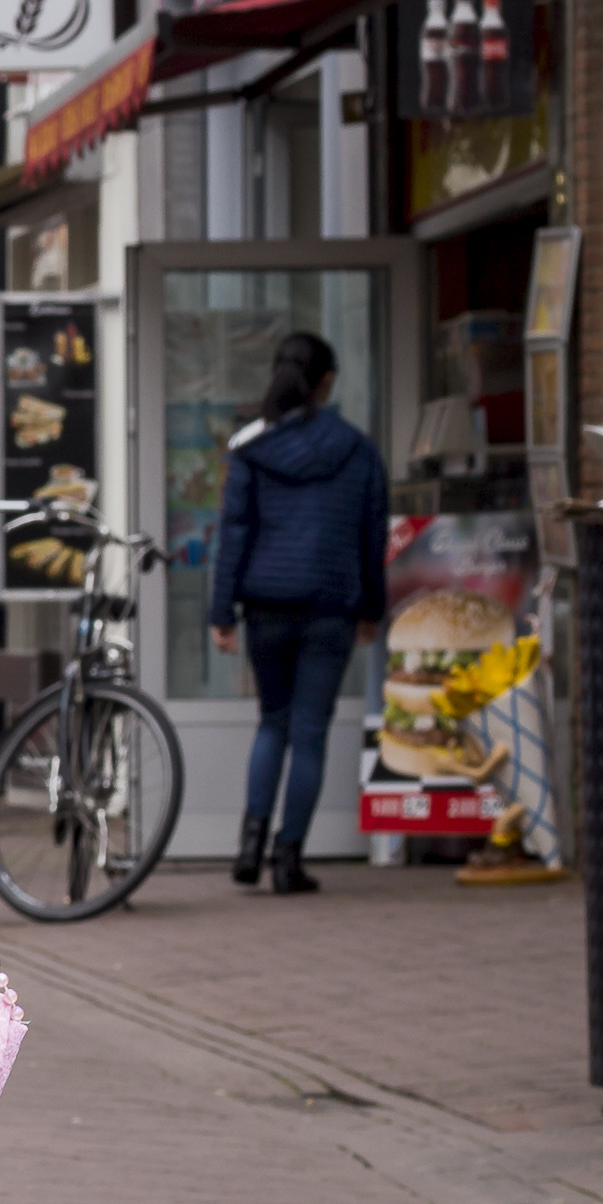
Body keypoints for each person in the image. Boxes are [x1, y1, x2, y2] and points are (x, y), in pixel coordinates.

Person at [207, 327, 388, 894]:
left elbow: (233, 536)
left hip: (266, 607)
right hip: (331, 609)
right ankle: (288, 861)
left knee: (273, 723)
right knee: (309, 732)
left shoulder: (252, 451)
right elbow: (370, 536)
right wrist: (371, 609)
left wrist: (221, 612)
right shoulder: (357, 451)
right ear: (326, 383)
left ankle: (249, 847)